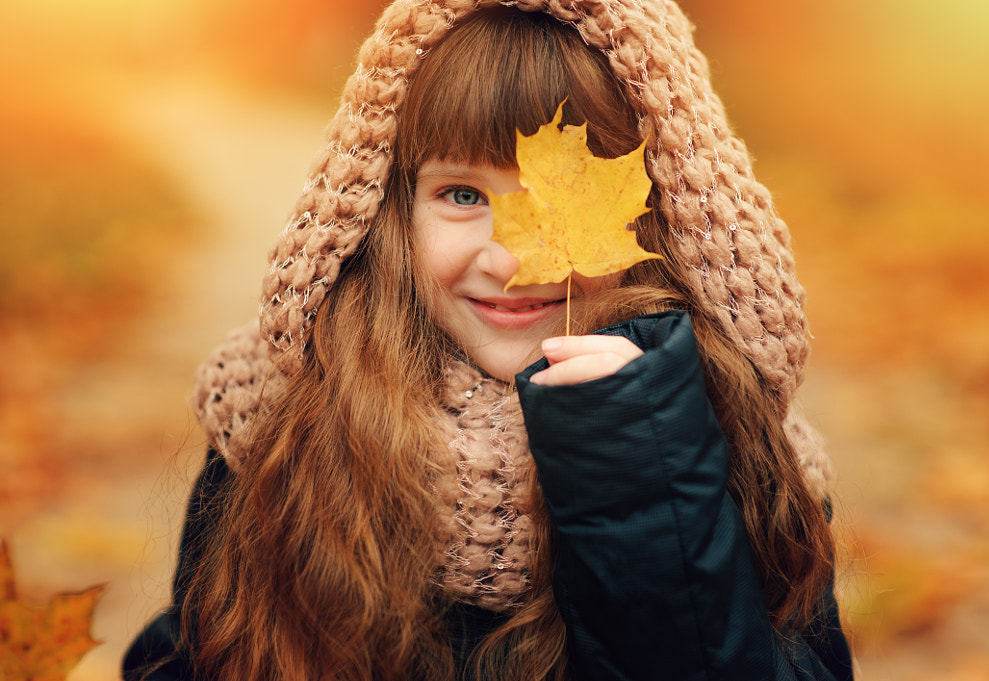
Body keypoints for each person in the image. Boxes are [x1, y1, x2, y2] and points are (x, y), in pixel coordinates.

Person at [123, 1, 853, 679]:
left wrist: (645, 482)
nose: (508, 260)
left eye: (554, 198)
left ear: (660, 215)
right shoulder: (283, 419)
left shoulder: (728, 446)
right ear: (390, 213)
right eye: (463, 195)